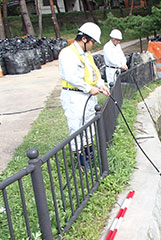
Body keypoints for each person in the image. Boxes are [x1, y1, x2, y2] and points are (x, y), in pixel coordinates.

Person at [59, 22, 110, 169]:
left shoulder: (87, 55)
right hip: (74, 96)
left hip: (86, 96)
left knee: (88, 124)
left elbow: (94, 73)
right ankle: (81, 161)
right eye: (93, 42)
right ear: (84, 39)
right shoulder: (68, 54)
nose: (93, 45)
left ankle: (89, 155)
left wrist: (101, 85)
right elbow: (71, 77)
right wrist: (88, 88)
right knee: (77, 127)